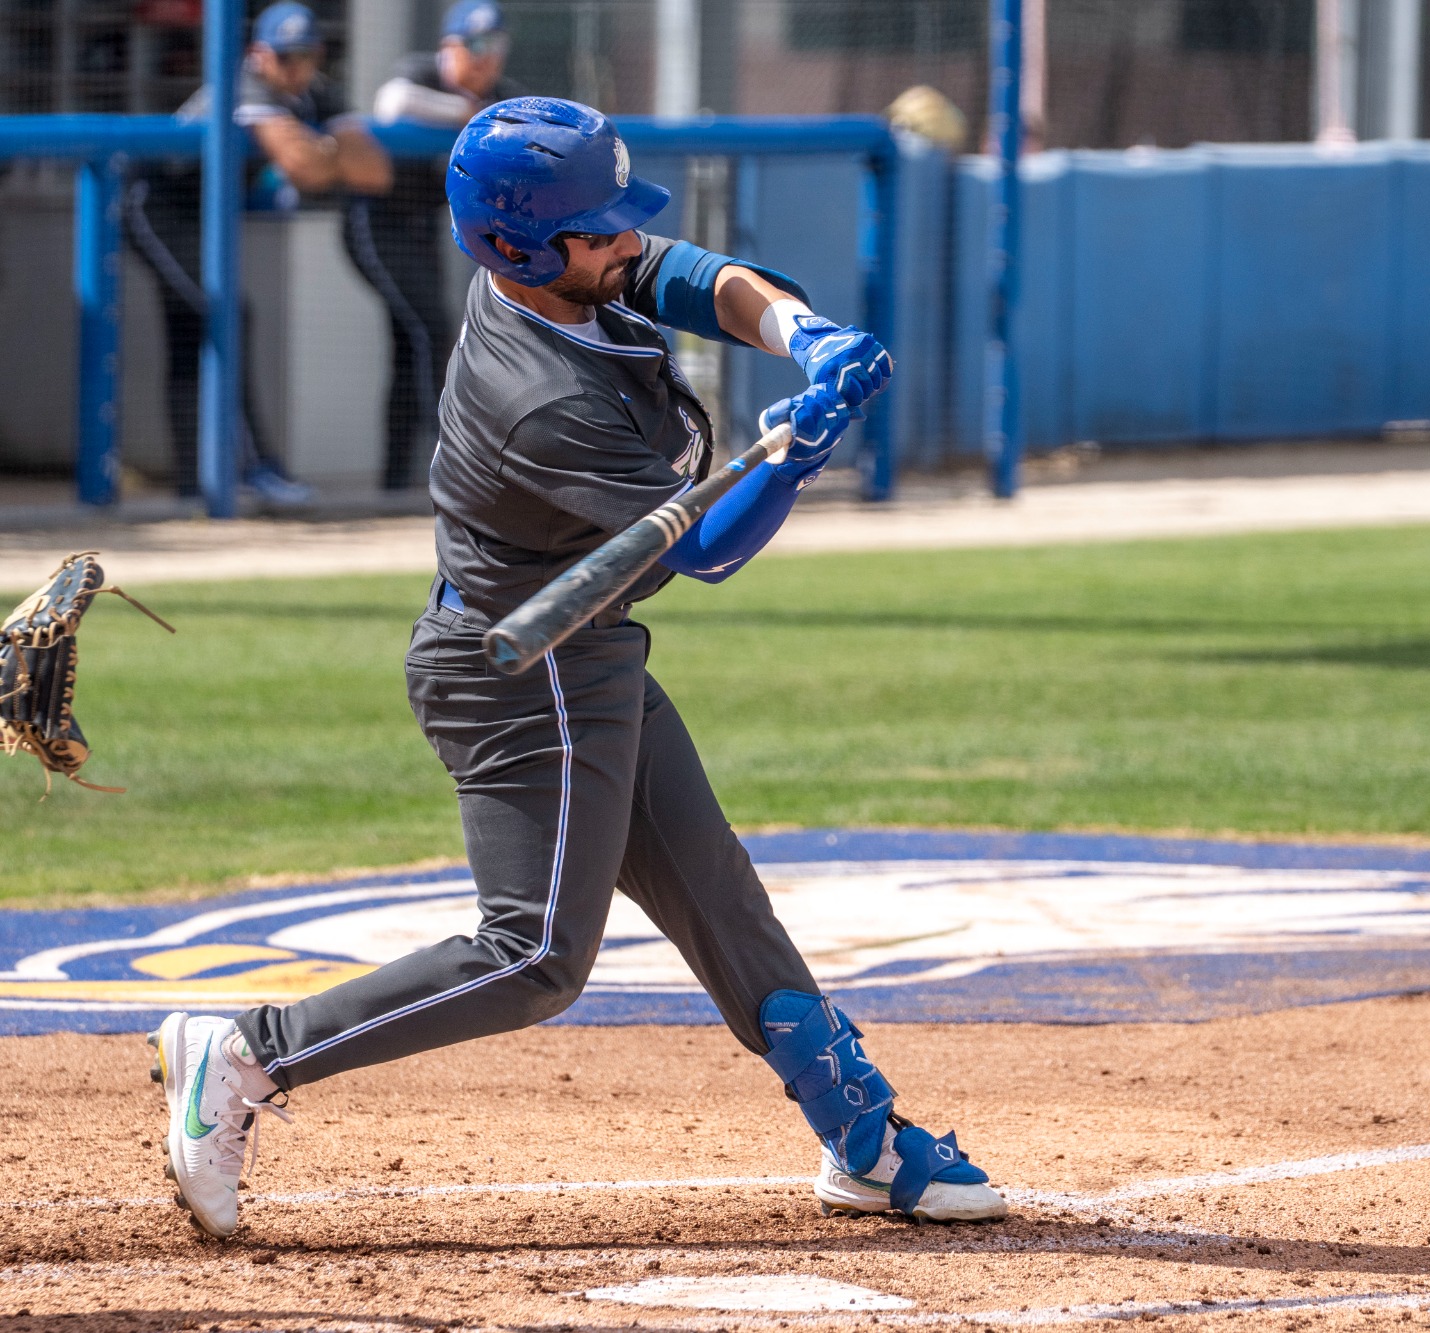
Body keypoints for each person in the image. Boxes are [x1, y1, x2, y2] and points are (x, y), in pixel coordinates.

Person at [145, 96, 1005, 1241]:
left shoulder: (568, 268)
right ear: (520, 245)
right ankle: (247, 1053)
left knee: (715, 891)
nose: (623, 245)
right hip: (517, 670)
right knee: (537, 954)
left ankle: (862, 1138)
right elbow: (702, 548)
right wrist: (795, 460)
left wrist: (802, 337)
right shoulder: (536, 398)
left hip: (586, 650)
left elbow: (693, 274)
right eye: (597, 232)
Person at [125, 1, 391, 506]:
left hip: (204, 219)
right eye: (286, 57)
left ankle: (194, 482)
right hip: (156, 207)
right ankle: (251, 467)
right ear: (260, 54)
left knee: (192, 335)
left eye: (306, 56)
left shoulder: (315, 92)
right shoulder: (245, 81)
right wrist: (327, 153)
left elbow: (375, 172)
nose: (297, 68)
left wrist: (319, 151)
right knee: (227, 316)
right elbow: (305, 168)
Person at [350, 0, 526, 491]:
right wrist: (468, 113)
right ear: (449, 47)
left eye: (495, 45)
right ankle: (454, 467)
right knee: (431, 328)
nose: (485, 57)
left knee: (410, 343)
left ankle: (396, 479)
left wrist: (480, 112)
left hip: (422, 229)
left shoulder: (501, 94)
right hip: (378, 221)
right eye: (473, 45)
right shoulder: (422, 72)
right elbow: (391, 102)